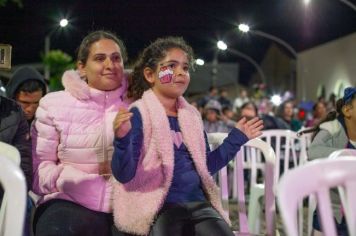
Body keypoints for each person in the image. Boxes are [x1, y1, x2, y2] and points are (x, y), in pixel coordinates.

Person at [111, 37, 263, 236]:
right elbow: (124, 175)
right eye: (171, 66)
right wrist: (122, 139)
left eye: (185, 67)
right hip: (159, 207)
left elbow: (205, 166)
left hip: (199, 204)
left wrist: (237, 138)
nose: (181, 72)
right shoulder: (139, 113)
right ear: (150, 74)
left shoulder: (191, 116)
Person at [31, 30, 130, 236]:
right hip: (69, 201)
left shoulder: (140, 104)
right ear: (82, 67)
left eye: (116, 58)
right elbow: (39, 169)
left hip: (128, 205)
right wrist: (66, 179)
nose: (110, 65)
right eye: (100, 58)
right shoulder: (54, 105)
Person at [305, 87, 356, 235]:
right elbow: (313, 151)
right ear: (347, 110)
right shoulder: (333, 128)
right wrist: (348, 155)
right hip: (333, 209)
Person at [0, 95, 32, 235]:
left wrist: (16, 193)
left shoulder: (14, 112)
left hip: (3, 192)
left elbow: (24, 162)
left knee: (25, 205)